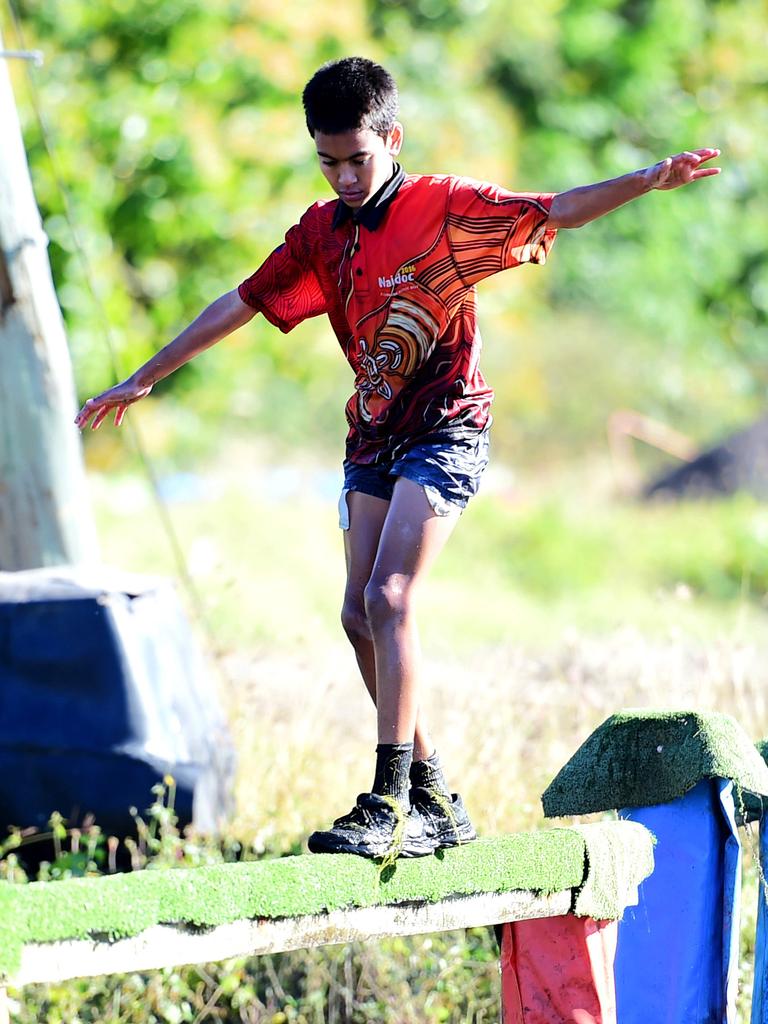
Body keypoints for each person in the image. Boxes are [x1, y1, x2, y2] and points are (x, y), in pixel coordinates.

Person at [75, 56, 720, 861]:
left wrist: (650, 179)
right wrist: (144, 377)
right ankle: (436, 794)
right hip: (374, 434)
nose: (345, 176)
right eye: (329, 161)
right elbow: (238, 303)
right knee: (357, 615)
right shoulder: (322, 233)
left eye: (358, 159)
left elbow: (559, 209)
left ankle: (386, 803)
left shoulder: (444, 207)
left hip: (447, 425)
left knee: (391, 595)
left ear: (392, 138)